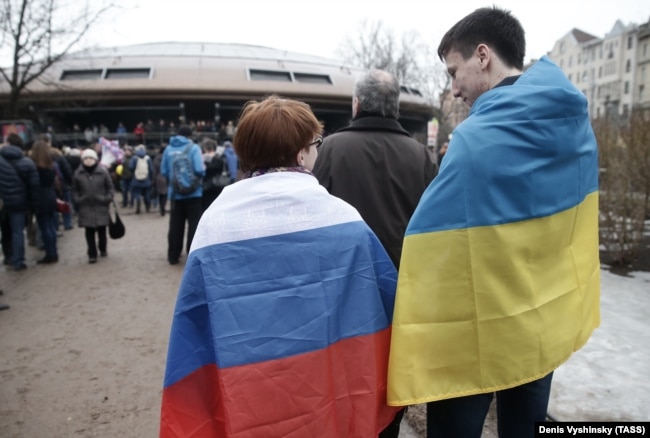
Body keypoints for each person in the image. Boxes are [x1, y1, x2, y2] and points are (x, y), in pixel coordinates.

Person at [386, 7, 601, 438]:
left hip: (479, 337)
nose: (454, 90)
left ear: (482, 55)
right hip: (544, 325)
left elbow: (433, 247)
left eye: (454, 71)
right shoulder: (575, 126)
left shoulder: (474, 140)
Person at [160, 96, 400, 437]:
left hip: (247, 397)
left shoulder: (214, 224)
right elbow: (383, 306)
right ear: (302, 153)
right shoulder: (344, 219)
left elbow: (194, 327)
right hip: (326, 391)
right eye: (315, 144)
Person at [312, 68, 436, 438]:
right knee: (388, 378)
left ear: (357, 104)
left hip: (342, 289)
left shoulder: (331, 149)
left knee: (344, 377)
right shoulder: (422, 157)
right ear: (395, 108)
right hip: (402, 290)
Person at [160, 124, 205, 265]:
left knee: (175, 226)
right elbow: (199, 170)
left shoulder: (168, 149)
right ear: (190, 136)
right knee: (193, 225)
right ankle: (191, 255)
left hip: (175, 194)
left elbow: (164, 171)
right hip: (194, 194)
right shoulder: (194, 148)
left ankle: (173, 255)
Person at [0, 134, 40, 271]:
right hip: (19, 202)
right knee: (18, 232)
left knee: (5, 231)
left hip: (2, 203)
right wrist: (33, 204)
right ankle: (18, 261)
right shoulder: (27, 162)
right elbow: (34, 185)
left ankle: (8, 256)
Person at [72, 148, 114, 264]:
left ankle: (103, 248)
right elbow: (75, 189)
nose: (88, 161)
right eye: (86, 158)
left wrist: (107, 198)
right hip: (85, 206)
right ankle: (92, 254)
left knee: (102, 230)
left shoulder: (103, 172)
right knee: (89, 231)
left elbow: (110, 187)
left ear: (95, 159)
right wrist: (78, 200)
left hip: (101, 205)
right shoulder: (78, 174)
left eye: (91, 158)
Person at [29, 140, 59, 264]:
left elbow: (34, 185)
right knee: (51, 227)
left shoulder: (35, 167)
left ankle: (50, 253)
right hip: (50, 196)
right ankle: (53, 252)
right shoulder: (51, 166)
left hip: (41, 198)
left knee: (45, 227)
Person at [129, 144, 153, 214]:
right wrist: (150, 178)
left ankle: (138, 203)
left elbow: (131, 167)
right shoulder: (148, 158)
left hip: (136, 180)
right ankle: (147, 206)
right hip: (146, 179)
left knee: (137, 193)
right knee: (147, 194)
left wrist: (134, 172)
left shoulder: (134, 158)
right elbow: (151, 169)